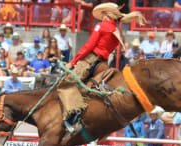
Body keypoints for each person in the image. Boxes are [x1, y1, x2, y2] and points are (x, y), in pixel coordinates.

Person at [59, 3, 146, 133]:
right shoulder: (116, 31)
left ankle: (71, 119)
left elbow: (89, 46)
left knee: (67, 83)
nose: (101, 17)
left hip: (91, 60)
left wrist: (73, 61)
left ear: (106, 14)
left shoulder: (100, 26)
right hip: (104, 63)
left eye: (103, 14)